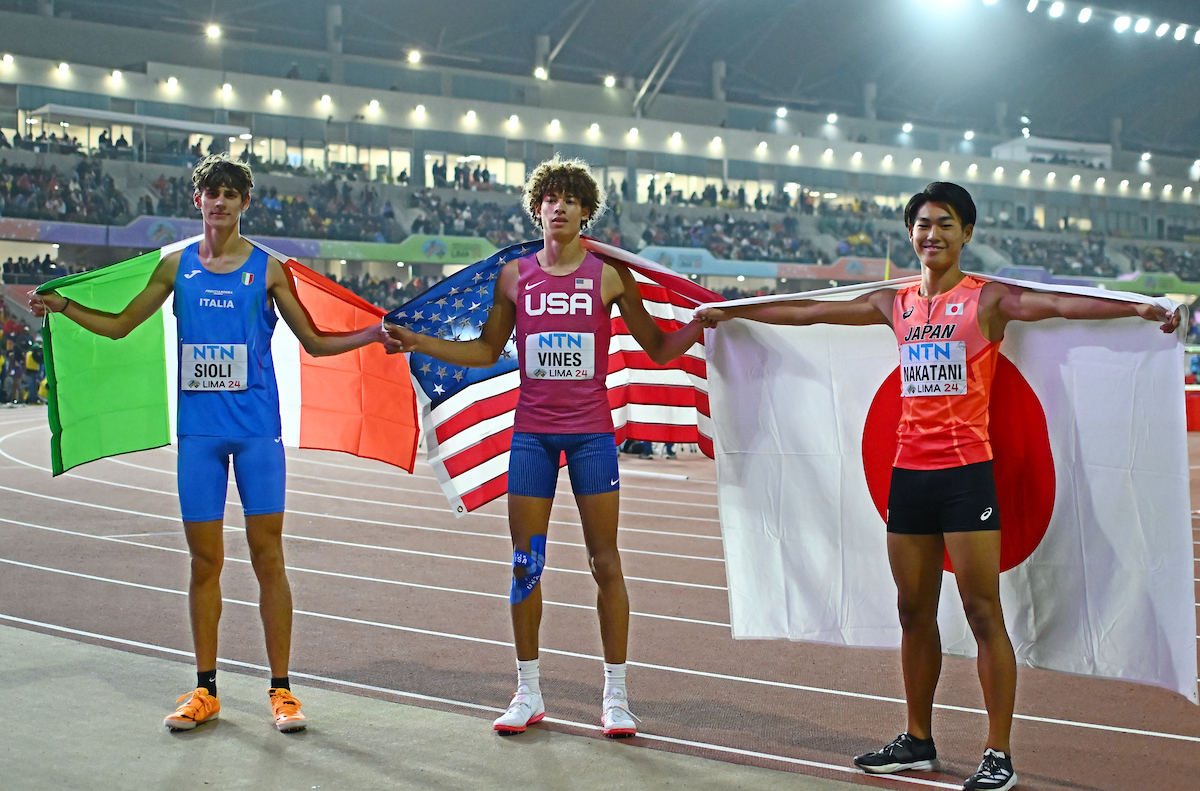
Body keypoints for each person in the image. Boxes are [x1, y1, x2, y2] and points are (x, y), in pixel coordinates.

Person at [697, 181, 1178, 791]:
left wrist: (1137, 309)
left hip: (966, 476)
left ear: (967, 234)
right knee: (912, 612)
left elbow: (1063, 305)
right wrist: (735, 312)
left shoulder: (989, 301)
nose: (933, 234)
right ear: (910, 234)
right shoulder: (892, 303)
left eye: (946, 224)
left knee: (982, 613)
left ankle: (997, 752)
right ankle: (918, 740)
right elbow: (808, 310)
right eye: (923, 224)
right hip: (909, 478)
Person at [30, 154, 396, 734]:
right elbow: (124, 325)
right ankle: (205, 689)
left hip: (256, 434)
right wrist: (64, 307)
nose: (220, 201)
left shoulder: (269, 270)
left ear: (244, 203)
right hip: (199, 435)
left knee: (267, 559)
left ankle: (282, 691)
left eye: (231, 193)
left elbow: (317, 343)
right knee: (205, 563)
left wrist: (376, 333)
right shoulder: (176, 267)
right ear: (197, 200)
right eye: (211, 192)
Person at [385, 156, 706, 737]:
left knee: (604, 561)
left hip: (591, 437)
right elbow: (486, 353)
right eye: (549, 199)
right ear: (537, 209)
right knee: (525, 564)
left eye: (570, 200)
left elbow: (660, 350)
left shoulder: (608, 277)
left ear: (586, 213)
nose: (558, 207)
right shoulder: (515, 278)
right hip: (531, 435)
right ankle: (528, 691)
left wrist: (703, 323)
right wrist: (417, 340)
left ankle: (616, 697)